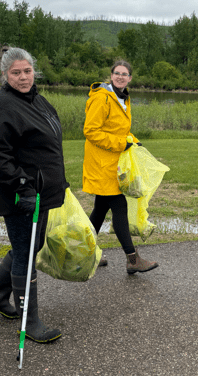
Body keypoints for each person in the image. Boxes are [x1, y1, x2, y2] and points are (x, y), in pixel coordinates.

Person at [0, 46, 67, 344]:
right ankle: (30, 322)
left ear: (34, 71)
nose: (22, 77)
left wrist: (59, 183)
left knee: (28, 247)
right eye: (15, 73)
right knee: (26, 254)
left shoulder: (37, 100)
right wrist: (22, 186)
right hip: (21, 196)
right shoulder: (3, 106)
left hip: (41, 192)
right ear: (5, 75)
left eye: (27, 71)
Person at [82, 60, 158, 274]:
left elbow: (119, 129)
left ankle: (84, 254)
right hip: (102, 163)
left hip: (113, 163)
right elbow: (91, 131)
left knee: (99, 210)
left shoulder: (122, 97)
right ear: (111, 75)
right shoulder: (102, 98)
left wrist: (133, 140)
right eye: (117, 73)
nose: (120, 77)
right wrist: (120, 144)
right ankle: (132, 259)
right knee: (119, 207)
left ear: (130, 78)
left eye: (125, 74)